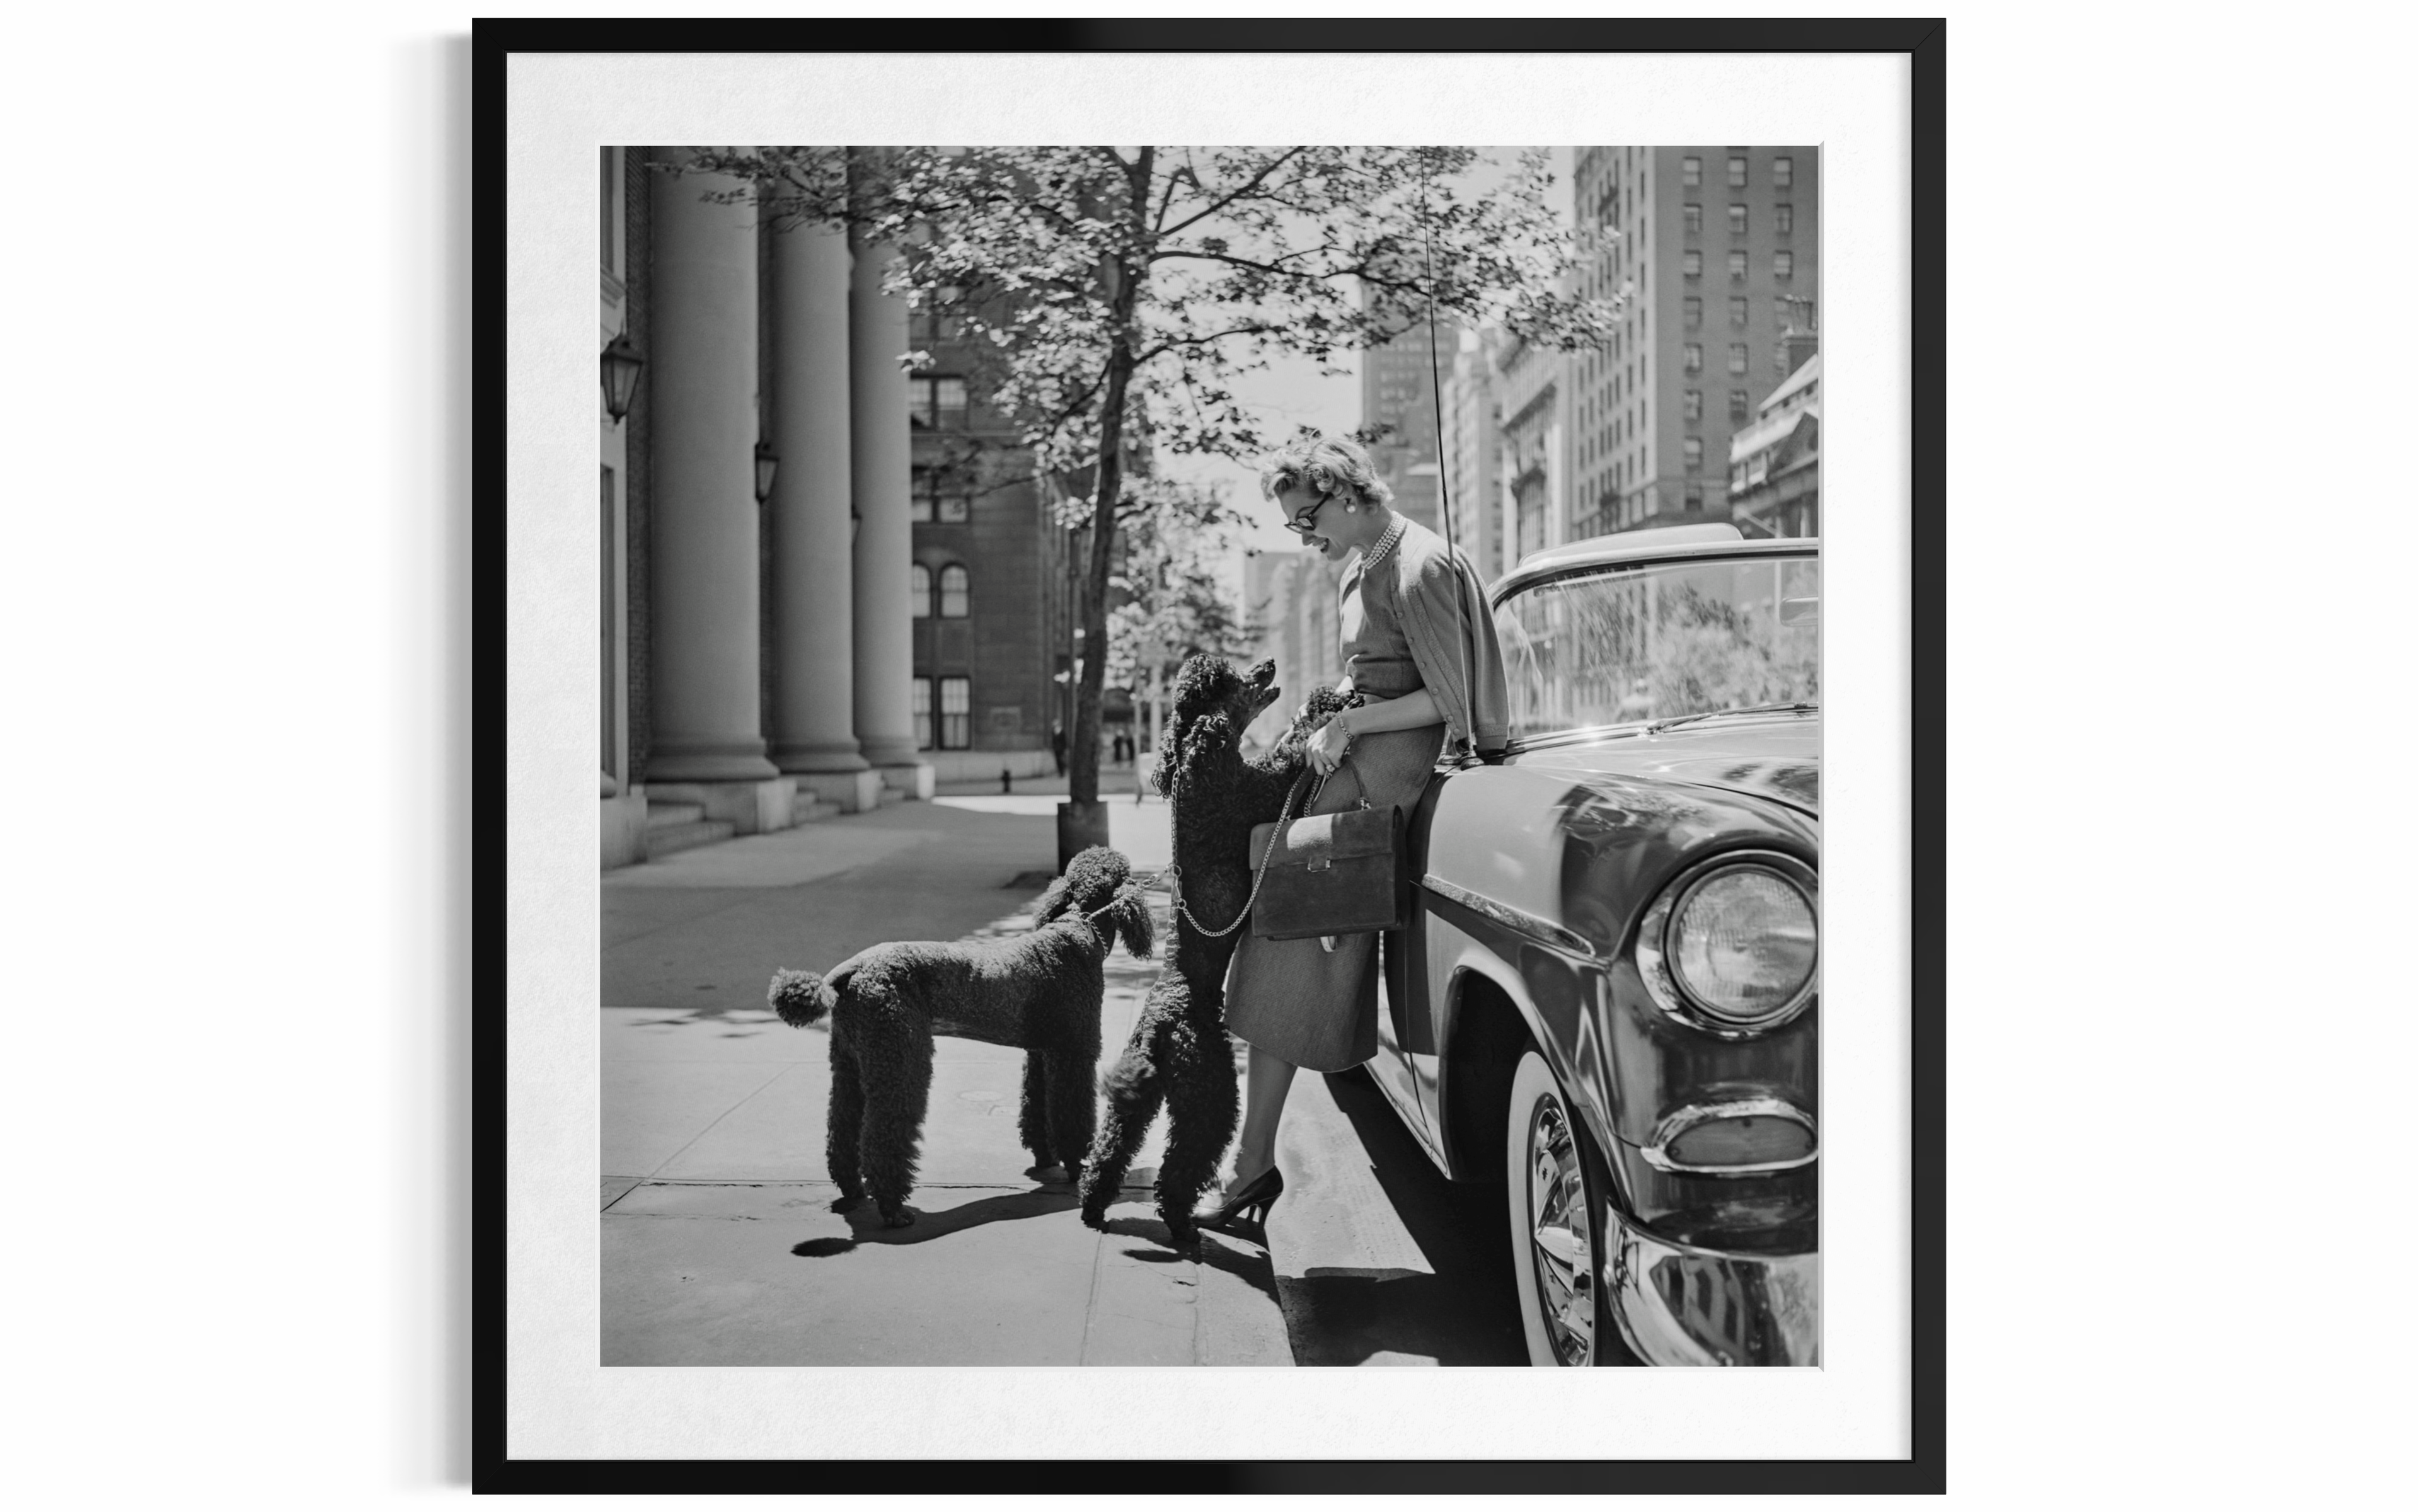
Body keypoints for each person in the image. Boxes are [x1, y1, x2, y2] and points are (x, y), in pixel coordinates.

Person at [1199, 435, 1509, 1233]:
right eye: (1296, 529)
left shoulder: (1420, 565)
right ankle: (1250, 1163)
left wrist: (1355, 723)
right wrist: (1330, 704)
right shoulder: (1361, 566)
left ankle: (1250, 1167)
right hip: (1350, 780)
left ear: (1343, 490)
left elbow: (1455, 700)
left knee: (1285, 953)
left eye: (1307, 519)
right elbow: (1370, 671)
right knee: (1276, 954)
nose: (1305, 538)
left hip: (1381, 797)